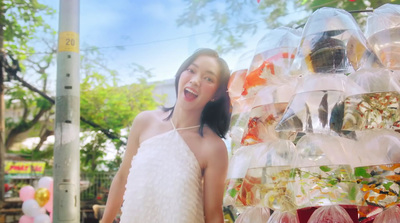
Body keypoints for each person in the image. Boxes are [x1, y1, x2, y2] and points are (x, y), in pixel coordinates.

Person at [101, 48, 232, 223]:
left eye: (208, 78)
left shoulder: (213, 147)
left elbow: (214, 215)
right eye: (191, 70)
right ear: (181, 73)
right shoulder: (144, 121)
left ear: (216, 94)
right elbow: (122, 178)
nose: (195, 81)